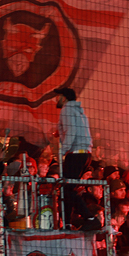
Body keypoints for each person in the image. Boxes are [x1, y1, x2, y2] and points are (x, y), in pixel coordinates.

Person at [54, 88, 94, 228]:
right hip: (85, 154)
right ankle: (67, 223)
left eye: (58, 96)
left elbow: (71, 131)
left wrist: (62, 151)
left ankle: (89, 218)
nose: (56, 99)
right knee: (68, 189)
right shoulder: (80, 112)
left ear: (64, 98)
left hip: (76, 153)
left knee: (66, 190)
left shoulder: (67, 109)